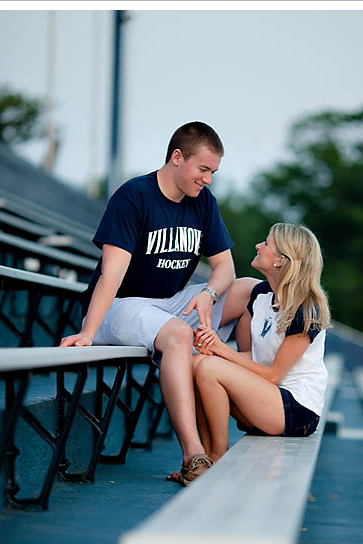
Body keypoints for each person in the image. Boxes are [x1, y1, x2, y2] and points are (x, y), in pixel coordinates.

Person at [60, 121, 257, 483]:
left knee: (250, 289)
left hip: (169, 303)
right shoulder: (134, 196)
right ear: (177, 157)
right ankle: (193, 456)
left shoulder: (203, 203)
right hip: (120, 305)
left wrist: (208, 294)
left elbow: (225, 267)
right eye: (203, 169)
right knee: (180, 334)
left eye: (213, 172)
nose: (208, 180)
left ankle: (248, 390)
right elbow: (112, 273)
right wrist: (88, 331)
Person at [181, 222, 331, 483]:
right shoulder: (260, 295)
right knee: (197, 363)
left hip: (296, 409)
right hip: (264, 397)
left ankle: (218, 457)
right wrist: (212, 350)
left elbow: (273, 375)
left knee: (209, 366)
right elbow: (252, 359)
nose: (258, 246)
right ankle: (202, 460)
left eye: (266, 243)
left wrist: (219, 349)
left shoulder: (307, 310)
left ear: (280, 260)